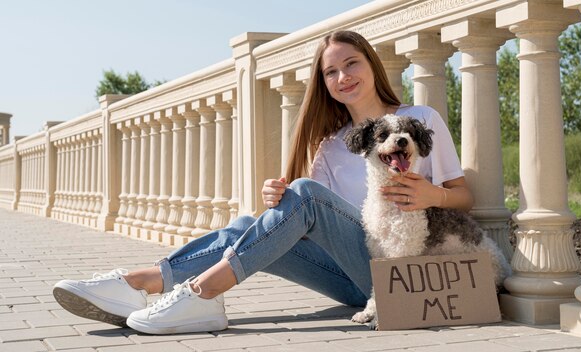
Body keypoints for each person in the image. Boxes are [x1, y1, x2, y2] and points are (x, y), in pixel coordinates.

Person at [53, 30, 473, 335]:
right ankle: (140, 283)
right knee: (249, 225)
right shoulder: (329, 147)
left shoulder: (418, 121)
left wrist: (432, 194)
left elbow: (464, 195)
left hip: (401, 276)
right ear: (324, 84)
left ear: (371, 64)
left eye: (351, 63)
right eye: (331, 72)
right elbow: (313, 220)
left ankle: (196, 290)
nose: (343, 76)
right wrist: (281, 202)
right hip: (351, 280)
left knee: (300, 198)